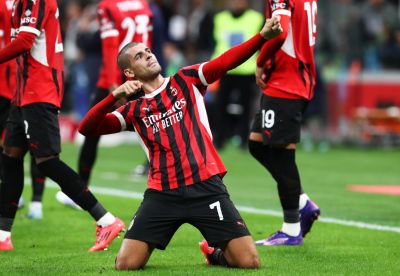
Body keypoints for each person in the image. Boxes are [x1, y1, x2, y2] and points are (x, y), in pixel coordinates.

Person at [78, 14, 283, 270]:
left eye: (149, 51)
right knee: (126, 264)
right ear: (129, 72)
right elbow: (86, 128)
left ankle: (214, 252)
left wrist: (261, 38)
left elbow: (226, 61)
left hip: (205, 186)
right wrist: (114, 96)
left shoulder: (187, 80)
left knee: (249, 262)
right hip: (162, 194)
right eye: (139, 56)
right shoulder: (134, 110)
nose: (149, 55)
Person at [0, 0, 124, 252]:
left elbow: (24, 42)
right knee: (10, 158)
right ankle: (3, 235)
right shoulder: (15, 4)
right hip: (22, 93)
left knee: (47, 161)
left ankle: (106, 220)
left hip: (40, 91)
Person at [55, 0, 155, 207]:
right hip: (143, 73)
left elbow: (111, 46)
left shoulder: (108, 5)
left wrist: (113, 85)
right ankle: (176, 182)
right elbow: (147, 42)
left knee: (91, 130)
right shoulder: (143, 4)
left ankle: (80, 190)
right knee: (155, 128)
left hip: (116, 78)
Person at [248, 0, 320, 246]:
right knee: (257, 144)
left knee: (281, 154)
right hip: (295, 79)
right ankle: (301, 203)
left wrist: (260, 61)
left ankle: (291, 229)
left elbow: (279, 31)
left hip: (286, 83)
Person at [0, 0, 46, 220]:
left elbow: (25, 41)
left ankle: (36, 202)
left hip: (26, 85)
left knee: (41, 152)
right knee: (11, 148)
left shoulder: (30, 3)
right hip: (15, 85)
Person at [210, 0, 264, 149]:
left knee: (246, 107)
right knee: (220, 105)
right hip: (223, 69)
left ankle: (243, 139)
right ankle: (220, 138)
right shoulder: (219, 18)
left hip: (246, 70)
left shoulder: (256, 18)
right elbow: (214, 42)